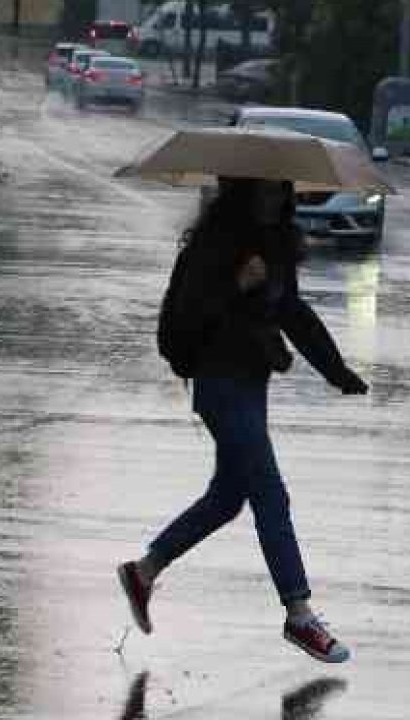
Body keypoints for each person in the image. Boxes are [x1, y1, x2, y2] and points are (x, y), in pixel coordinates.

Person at [118, 177, 369, 664]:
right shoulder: (212, 246)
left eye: (281, 192)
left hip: (252, 385)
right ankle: (299, 614)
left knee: (227, 498)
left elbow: (294, 315)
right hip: (218, 384)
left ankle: (143, 571)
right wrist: (236, 285)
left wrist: (336, 371)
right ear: (242, 191)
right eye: (265, 192)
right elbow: (184, 322)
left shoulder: (274, 245)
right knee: (270, 493)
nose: (275, 200)